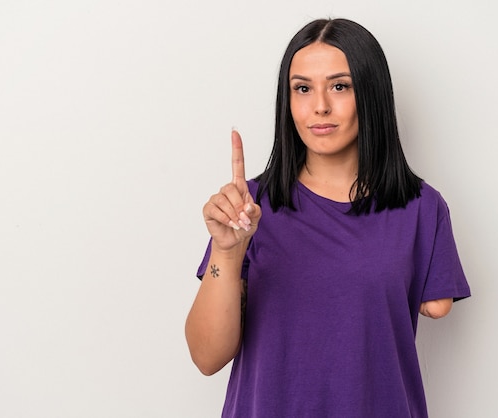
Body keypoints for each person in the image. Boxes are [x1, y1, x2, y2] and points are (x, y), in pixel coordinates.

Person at [185, 18, 471, 418]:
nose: (319, 105)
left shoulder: (422, 208)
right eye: (302, 88)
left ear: (370, 93)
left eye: (340, 86)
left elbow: (436, 304)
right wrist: (227, 252)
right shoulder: (248, 207)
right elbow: (206, 357)